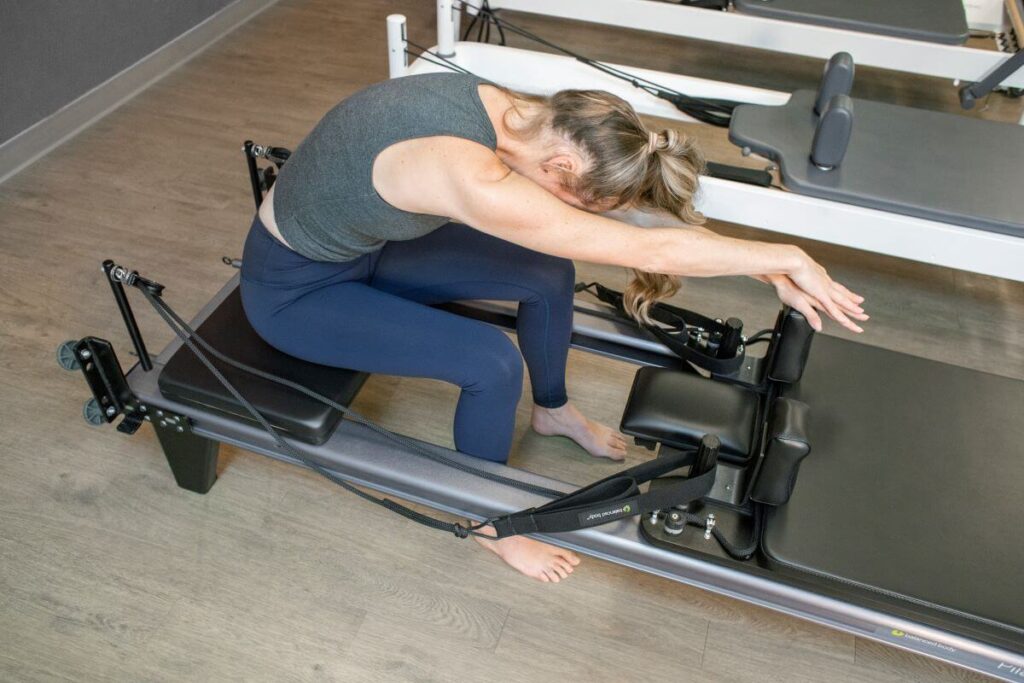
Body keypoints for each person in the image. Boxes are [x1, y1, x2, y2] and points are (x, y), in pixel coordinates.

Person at [239, 72, 867, 583]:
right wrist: (785, 256)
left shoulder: (515, 114)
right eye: (577, 199)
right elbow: (645, 250)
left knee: (546, 272)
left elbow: (632, 223)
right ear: (563, 164)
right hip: (295, 290)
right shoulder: (467, 173)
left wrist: (763, 266)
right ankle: (490, 522)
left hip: (365, 247)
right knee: (489, 361)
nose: (574, 209)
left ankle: (553, 410)